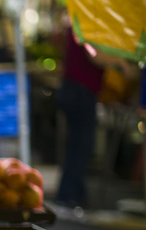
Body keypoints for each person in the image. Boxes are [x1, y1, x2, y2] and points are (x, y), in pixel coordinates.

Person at [55, 17, 131, 210]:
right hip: (80, 90)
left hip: (76, 89)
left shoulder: (81, 20)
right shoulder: (86, 21)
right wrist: (120, 61)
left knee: (78, 145)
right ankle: (70, 195)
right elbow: (95, 56)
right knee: (81, 144)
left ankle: (72, 193)